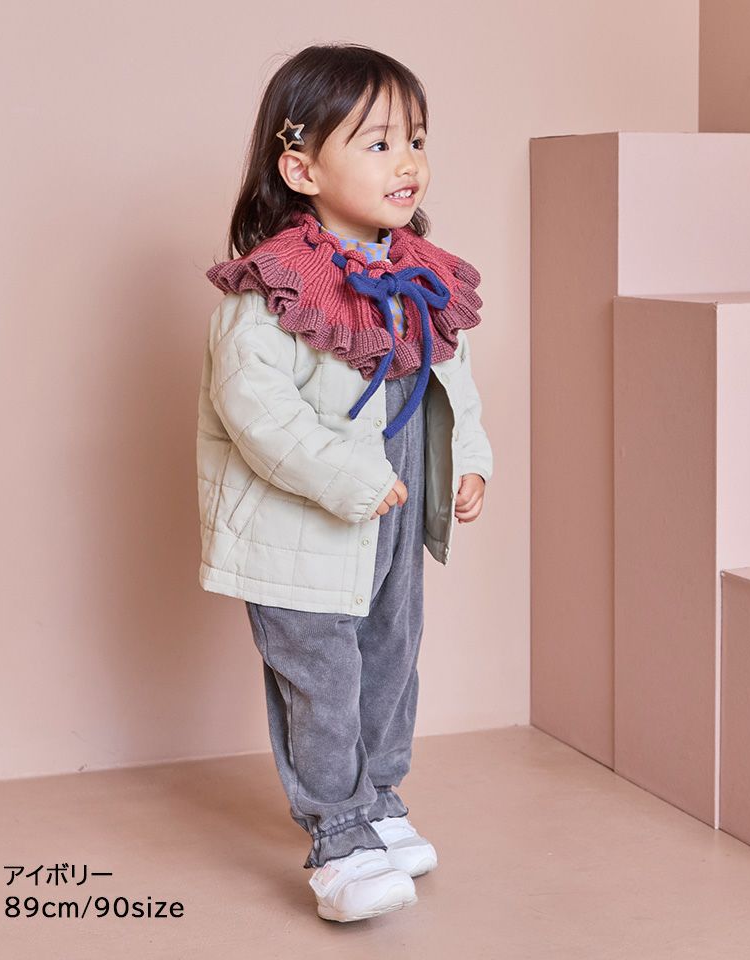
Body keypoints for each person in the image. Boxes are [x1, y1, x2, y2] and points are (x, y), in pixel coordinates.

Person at [196, 42, 493, 923]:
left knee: (391, 657)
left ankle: (379, 797)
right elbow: (256, 412)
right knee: (321, 676)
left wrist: (468, 459)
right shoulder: (273, 292)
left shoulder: (415, 278)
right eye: (378, 143)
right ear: (302, 168)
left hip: (390, 519)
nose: (407, 162)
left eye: (416, 140)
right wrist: (348, 478)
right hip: (304, 527)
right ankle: (337, 831)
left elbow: (450, 375)